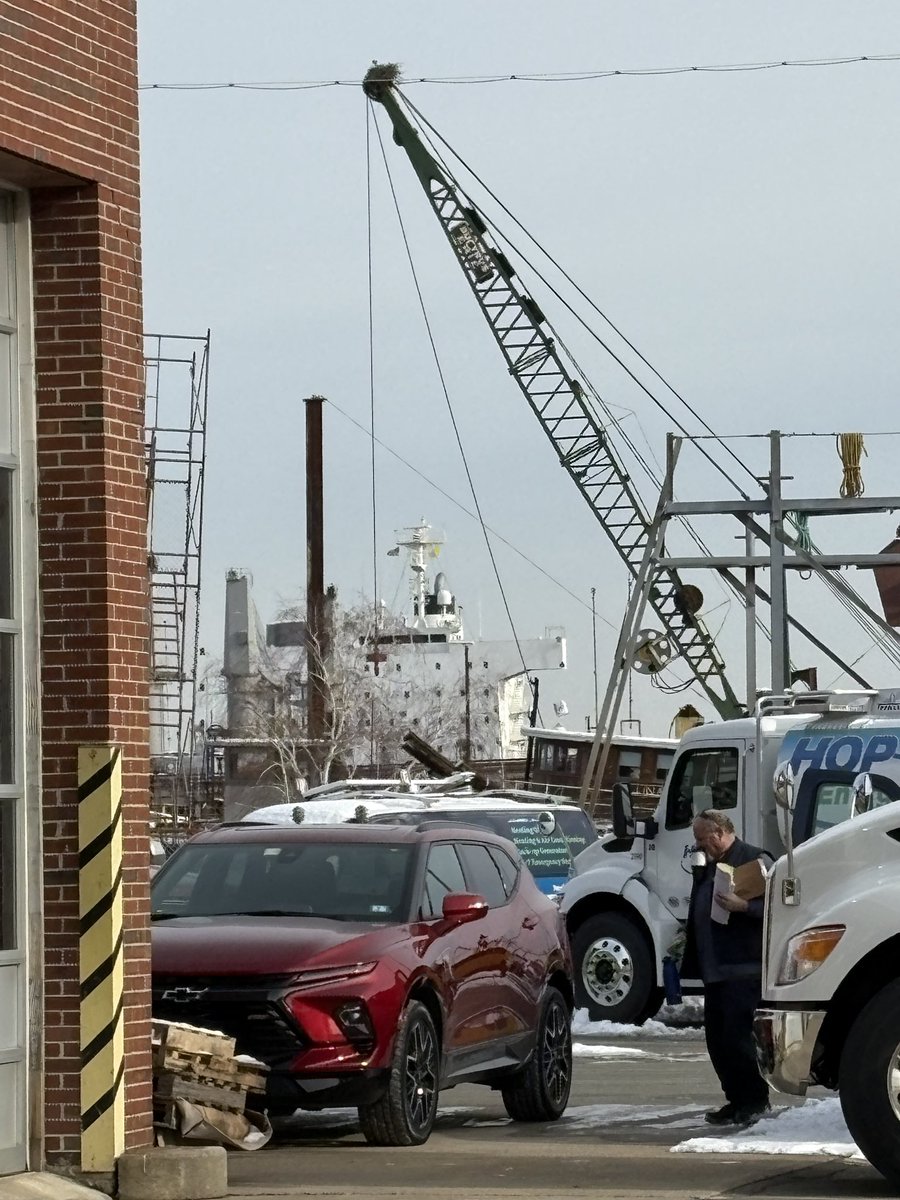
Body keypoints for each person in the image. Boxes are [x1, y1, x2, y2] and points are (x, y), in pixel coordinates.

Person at [680, 809, 772, 1127]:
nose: (697, 845)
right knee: (717, 1041)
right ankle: (736, 1099)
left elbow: (780, 904)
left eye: (702, 839)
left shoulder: (754, 859)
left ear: (719, 833)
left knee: (737, 1038)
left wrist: (745, 906)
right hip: (715, 968)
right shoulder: (707, 865)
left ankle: (755, 1100)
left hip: (742, 968)